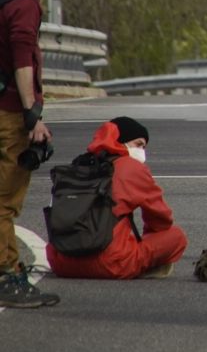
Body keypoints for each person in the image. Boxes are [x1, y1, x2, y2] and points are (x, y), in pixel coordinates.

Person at [0, 0, 62, 309]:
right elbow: (23, 58)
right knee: (6, 199)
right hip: (10, 111)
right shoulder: (25, 5)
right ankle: (7, 275)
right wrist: (32, 115)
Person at [47, 118, 187, 280]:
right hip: (111, 264)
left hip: (61, 263)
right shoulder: (131, 167)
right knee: (176, 236)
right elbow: (161, 219)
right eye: (139, 144)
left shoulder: (77, 166)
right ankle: (140, 266)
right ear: (121, 141)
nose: (142, 151)